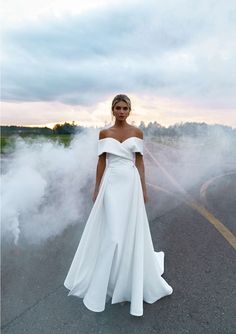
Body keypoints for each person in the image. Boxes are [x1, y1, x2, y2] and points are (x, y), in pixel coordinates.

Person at [64, 94, 173, 317]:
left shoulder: (137, 133)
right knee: (113, 234)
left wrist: (144, 189)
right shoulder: (104, 133)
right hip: (111, 184)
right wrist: (97, 189)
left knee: (128, 232)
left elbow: (140, 162)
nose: (122, 111)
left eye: (125, 108)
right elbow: (101, 162)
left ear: (129, 111)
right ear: (113, 110)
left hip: (130, 184)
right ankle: (107, 280)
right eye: (118, 108)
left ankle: (126, 279)